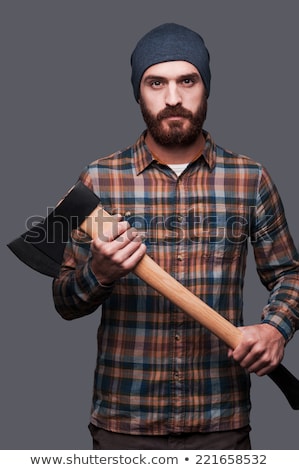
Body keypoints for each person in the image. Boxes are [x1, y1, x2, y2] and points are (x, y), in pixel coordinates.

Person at [52, 23, 299, 450]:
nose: (172, 98)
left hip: (221, 419)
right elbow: (65, 301)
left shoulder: (249, 179)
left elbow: (291, 276)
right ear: (138, 91)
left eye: (187, 80)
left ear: (206, 87)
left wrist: (276, 328)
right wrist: (100, 271)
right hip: (122, 423)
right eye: (156, 83)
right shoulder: (99, 180)